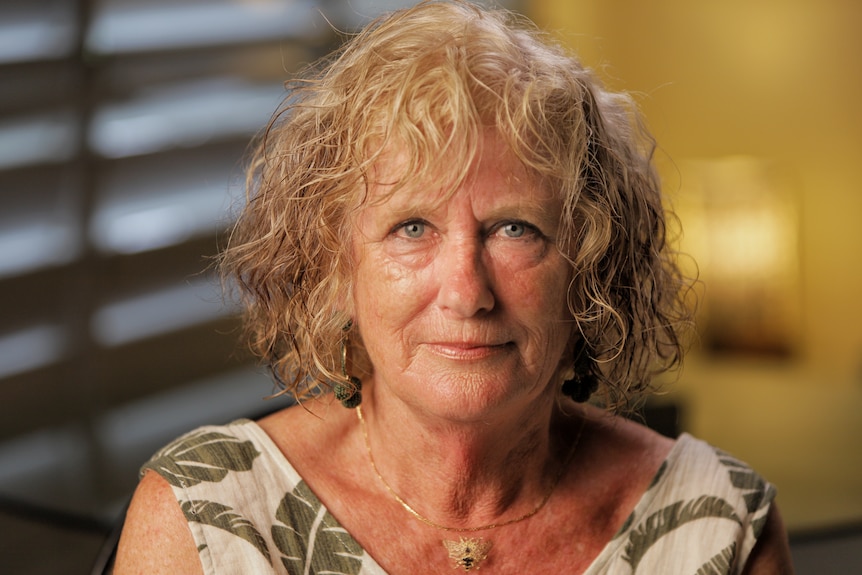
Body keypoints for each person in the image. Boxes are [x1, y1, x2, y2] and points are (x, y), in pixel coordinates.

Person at [114, 1, 794, 573]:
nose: (467, 292)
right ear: (335, 266)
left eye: (514, 229)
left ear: (588, 268)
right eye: (412, 226)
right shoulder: (206, 519)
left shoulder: (720, 523)